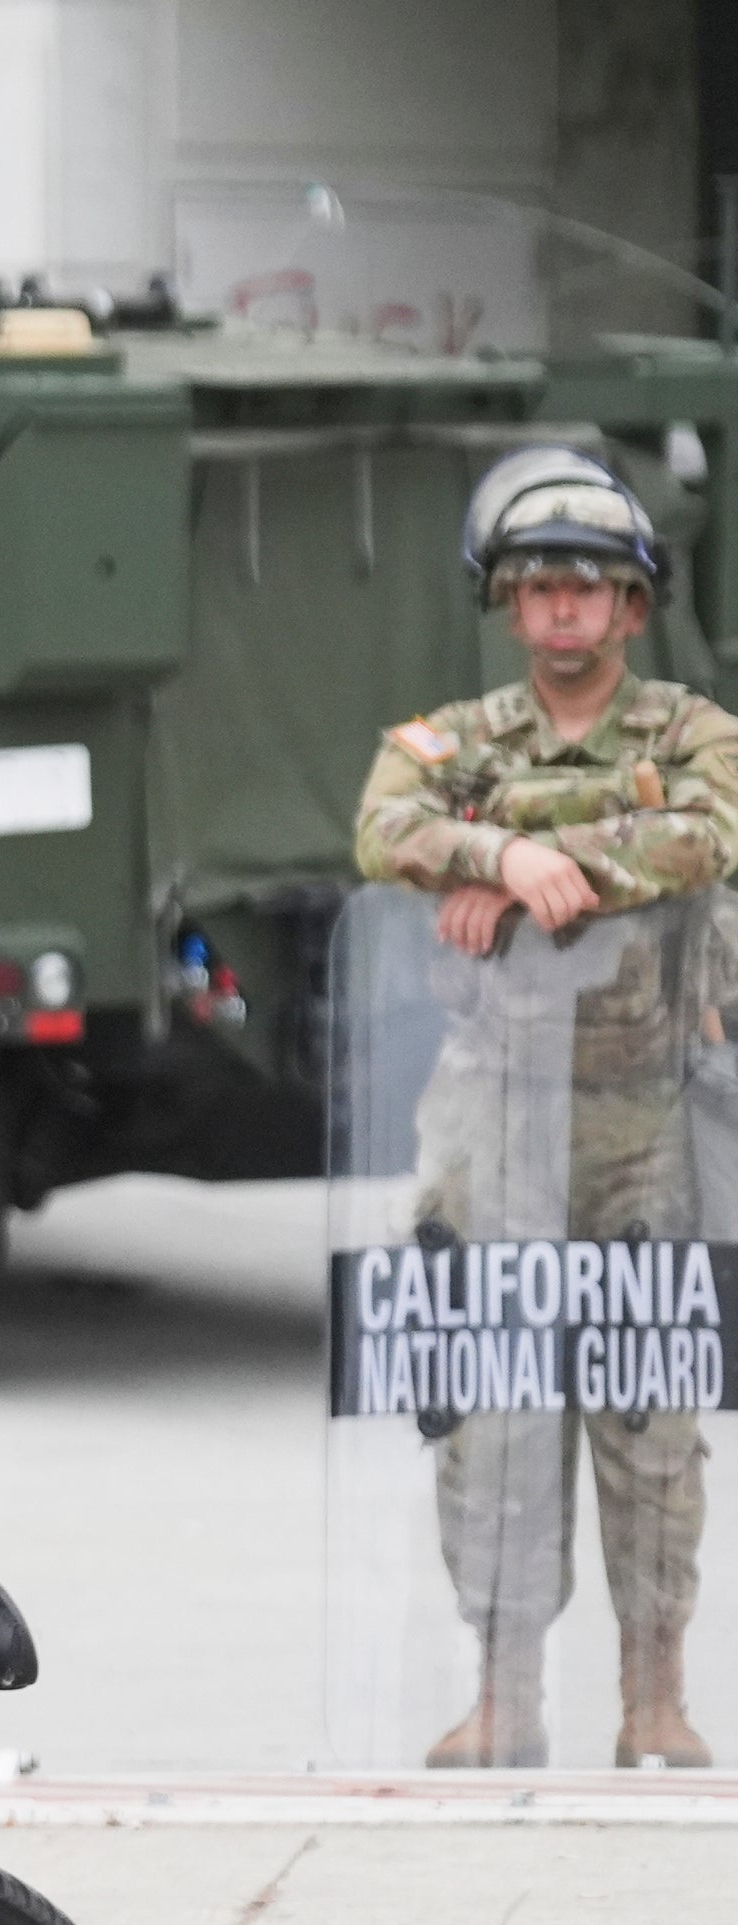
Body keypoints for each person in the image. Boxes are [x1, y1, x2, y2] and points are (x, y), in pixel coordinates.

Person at [351, 449, 738, 1768]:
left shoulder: (693, 733)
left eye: (592, 587)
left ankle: (653, 1700)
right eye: (539, 588)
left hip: (646, 1116)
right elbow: (380, 823)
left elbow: (712, 834)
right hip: (492, 1109)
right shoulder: (456, 741)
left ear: (634, 609)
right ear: (509, 608)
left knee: (651, 1411)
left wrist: (522, 868)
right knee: (487, 1401)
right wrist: (498, 850)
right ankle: (503, 1693)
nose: (565, 609)